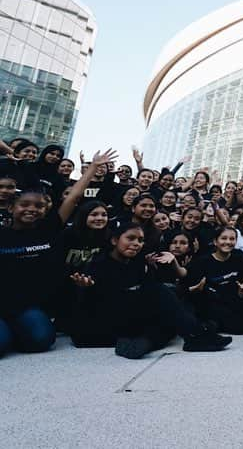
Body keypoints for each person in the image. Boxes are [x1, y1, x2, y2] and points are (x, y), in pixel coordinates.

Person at [0, 149, 115, 357]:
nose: (31, 209)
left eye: (39, 206)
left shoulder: (48, 228)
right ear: (10, 208)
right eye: (24, 205)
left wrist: (93, 168)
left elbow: (74, 197)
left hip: (25, 306)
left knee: (42, 340)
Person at [68, 222, 231, 358]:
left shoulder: (136, 263)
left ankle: (150, 342)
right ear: (114, 240)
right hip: (97, 326)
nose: (136, 243)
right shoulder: (98, 264)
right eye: (130, 238)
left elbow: (149, 295)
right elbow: (89, 306)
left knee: (168, 314)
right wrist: (86, 288)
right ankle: (195, 335)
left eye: (140, 240)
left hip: (124, 320)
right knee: (162, 300)